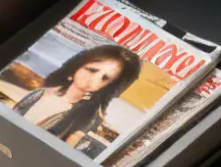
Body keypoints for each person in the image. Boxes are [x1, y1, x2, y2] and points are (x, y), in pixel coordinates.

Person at [13, 44, 142, 148]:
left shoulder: (89, 117)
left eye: (105, 78)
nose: (93, 80)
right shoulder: (40, 93)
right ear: (77, 66)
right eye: (92, 70)